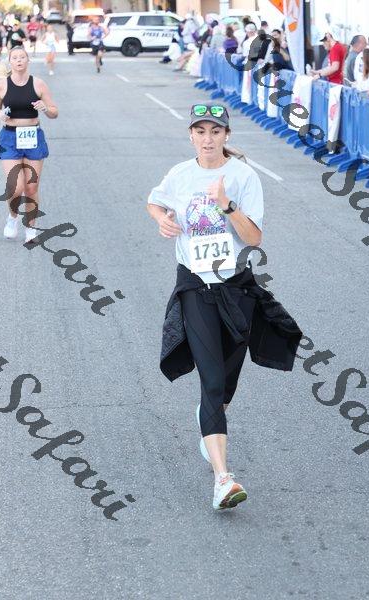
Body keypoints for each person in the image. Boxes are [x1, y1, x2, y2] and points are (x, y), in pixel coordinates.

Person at [147, 103, 302, 510]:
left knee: (227, 383)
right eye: (200, 131)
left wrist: (228, 205)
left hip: (236, 289)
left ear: (226, 136)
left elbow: (254, 239)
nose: (208, 139)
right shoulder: (180, 174)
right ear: (191, 136)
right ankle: (223, 479)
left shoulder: (243, 176)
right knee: (213, 381)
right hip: (195, 286)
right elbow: (154, 201)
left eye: (215, 131)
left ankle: (209, 417)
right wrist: (161, 219)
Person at [0, 45, 58, 242]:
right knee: (15, 187)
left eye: (22, 57)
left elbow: (54, 112)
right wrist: (0, 114)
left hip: (33, 137)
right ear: (10, 61)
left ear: (28, 60)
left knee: (31, 188)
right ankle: (12, 217)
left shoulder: (38, 84)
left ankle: (31, 227)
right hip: (9, 138)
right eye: (15, 58)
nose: (19, 60)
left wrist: (45, 108)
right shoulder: (2, 85)